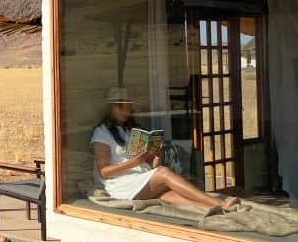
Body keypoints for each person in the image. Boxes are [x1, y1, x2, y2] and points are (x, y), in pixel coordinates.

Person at [90, 88, 240, 213]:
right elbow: (104, 172)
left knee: (172, 195)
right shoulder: (102, 134)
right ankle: (220, 203)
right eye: (121, 107)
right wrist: (134, 162)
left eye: (129, 108)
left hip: (141, 178)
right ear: (110, 108)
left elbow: (154, 167)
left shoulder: (131, 131)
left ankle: (217, 209)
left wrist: (157, 154)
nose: (126, 112)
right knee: (165, 173)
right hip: (121, 184)